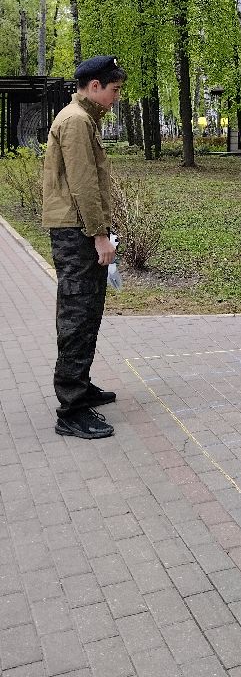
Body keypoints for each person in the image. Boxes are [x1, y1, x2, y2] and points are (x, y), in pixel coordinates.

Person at [42, 55, 126, 439]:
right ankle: (71, 409)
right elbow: (83, 183)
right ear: (95, 86)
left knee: (88, 309)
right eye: (114, 90)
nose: (115, 98)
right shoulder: (76, 121)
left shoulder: (82, 117)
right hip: (77, 231)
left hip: (79, 228)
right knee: (77, 314)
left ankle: (81, 383)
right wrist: (98, 234)